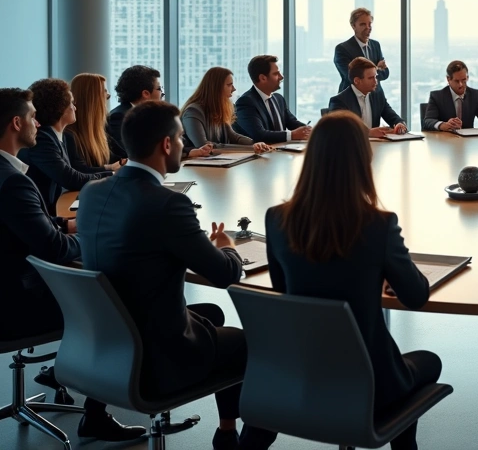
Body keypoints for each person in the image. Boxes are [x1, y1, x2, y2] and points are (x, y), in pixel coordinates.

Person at [76, 100, 277, 450]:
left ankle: (96, 413)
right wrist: (225, 245)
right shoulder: (167, 203)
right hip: (152, 358)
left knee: (211, 316)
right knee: (246, 342)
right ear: (166, 144)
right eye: (181, 138)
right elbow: (224, 274)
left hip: (103, 343)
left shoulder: (93, 191)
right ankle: (229, 437)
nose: (184, 144)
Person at [266, 111, 439, 450]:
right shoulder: (379, 225)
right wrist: (387, 273)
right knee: (429, 361)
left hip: (306, 374)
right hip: (372, 383)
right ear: (364, 159)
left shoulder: (277, 219)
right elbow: (416, 296)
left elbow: (282, 290)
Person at [0, 88, 145, 443]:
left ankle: (66, 373)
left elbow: (24, 224)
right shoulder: (14, 182)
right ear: (17, 123)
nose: (38, 123)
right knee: (115, 304)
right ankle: (95, 414)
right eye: (33, 117)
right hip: (15, 306)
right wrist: (94, 238)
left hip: (6, 290)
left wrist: (64, 223)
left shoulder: (9, 175)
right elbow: (54, 249)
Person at [18, 78, 111, 209]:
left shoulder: (59, 136)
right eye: (71, 103)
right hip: (43, 213)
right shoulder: (42, 140)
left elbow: (76, 171)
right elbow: (71, 179)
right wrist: (112, 175)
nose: (75, 107)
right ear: (60, 108)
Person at [108, 65, 213, 161]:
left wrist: (190, 152)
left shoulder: (150, 114)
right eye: (159, 88)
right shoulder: (119, 117)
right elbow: (131, 153)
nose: (162, 93)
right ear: (145, 93)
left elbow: (174, 142)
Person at [181, 67, 273, 154]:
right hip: (195, 167)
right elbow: (203, 145)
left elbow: (234, 137)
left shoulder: (218, 109)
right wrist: (249, 148)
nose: (234, 89)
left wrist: (256, 144)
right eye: (229, 85)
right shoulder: (193, 112)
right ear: (216, 88)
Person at [234, 55, 311, 145]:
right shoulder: (245, 102)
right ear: (263, 78)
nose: (281, 77)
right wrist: (292, 135)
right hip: (261, 156)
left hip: (281, 153)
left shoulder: (279, 99)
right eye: (276, 74)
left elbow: (292, 123)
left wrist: (310, 131)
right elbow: (259, 135)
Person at [328, 57, 408, 138]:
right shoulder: (339, 101)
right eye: (370, 78)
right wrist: (367, 132)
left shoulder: (377, 95)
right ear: (357, 81)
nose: (375, 81)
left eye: (375, 76)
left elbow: (392, 116)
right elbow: (339, 130)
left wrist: (400, 124)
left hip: (375, 147)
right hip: (350, 148)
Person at [64, 73, 126, 175]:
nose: (107, 100)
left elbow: (121, 157)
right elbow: (79, 171)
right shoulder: (69, 135)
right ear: (92, 99)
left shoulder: (99, 133)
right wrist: (109, 168)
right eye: (105, 94)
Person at [422, 60, 478, 132]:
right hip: (445, 141)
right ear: (448, 79)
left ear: (467, 77)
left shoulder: (475, 95)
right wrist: (443, 125)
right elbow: (428, 121)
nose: (461, 84)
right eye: (457, 81)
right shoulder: (437, 96)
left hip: (468, 142)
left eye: (464, 80)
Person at [334, 7, 389, 93]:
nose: (368, 27)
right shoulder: (342, 49)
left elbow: (385, 73)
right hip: (352, 101)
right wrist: (377, 68)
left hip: (375, 100)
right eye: (363, 24)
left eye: (369, 24)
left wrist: (367, 73)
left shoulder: (376, 45)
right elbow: (351, 77)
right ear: (353, 26)